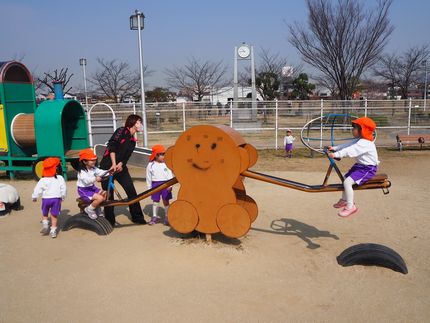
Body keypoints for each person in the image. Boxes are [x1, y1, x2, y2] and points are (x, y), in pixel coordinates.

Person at [99, 114, 147, 226]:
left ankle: (137, 217)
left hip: (120, 168)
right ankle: (109, 221)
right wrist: (114, 164)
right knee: (108, 194)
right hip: (107, 166)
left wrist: (121, 164)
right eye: (139, 122)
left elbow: (126, 156)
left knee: (131, 191)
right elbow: (112, 146)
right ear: (133, 123)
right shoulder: (121, 131)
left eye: (140, 122)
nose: (141, 125)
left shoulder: (132, 141)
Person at [328, 117, 379, 218]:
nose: (352, 130)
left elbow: (351, 150)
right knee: (345, 179)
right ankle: (344, 200)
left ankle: (350, 206)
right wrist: (335, 148)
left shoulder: (365, 143)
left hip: (367, 169)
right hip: (360, 166)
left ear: (362, 130)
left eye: (354, 128)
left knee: (347, 182)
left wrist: (337, 154)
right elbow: (348, 145)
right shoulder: (360, 140)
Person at [32, 158, 66, 238]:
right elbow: (63, 188)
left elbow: (37, 189)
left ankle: (45, 224)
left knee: (45, 212)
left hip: (46, 199)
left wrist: (34, 196)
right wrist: (63, 196)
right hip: (56, 199)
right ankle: (53, 230)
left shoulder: (43, 179)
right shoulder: (59, 178)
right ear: (57, 169)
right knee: (54, 215)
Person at [76, 148, 108, 219]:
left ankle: (97, 208)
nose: (94, 161)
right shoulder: (82, 172)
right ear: (84, 161)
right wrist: (95, 179)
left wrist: (110, 171)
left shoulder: (93, 168)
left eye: (94, 160)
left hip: (92, 188)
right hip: (84, 190)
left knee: (105, 193)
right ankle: (89, 209)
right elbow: (86, 181)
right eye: (91, 160)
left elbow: (101, 172)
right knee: (100, 198)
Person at [146, 145, 174, 225]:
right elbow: (148, 177)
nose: (163, 156)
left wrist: (170, 186)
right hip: (155, 184)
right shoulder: (150, 165)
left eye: (164, 154)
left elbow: (170, 175)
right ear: (156, 155)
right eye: (162, 154)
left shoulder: (166, 164)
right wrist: (149, 188)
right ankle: (155, 217)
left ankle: (167, 216)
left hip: (166, 184)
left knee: (166, 201)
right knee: (155, 201)